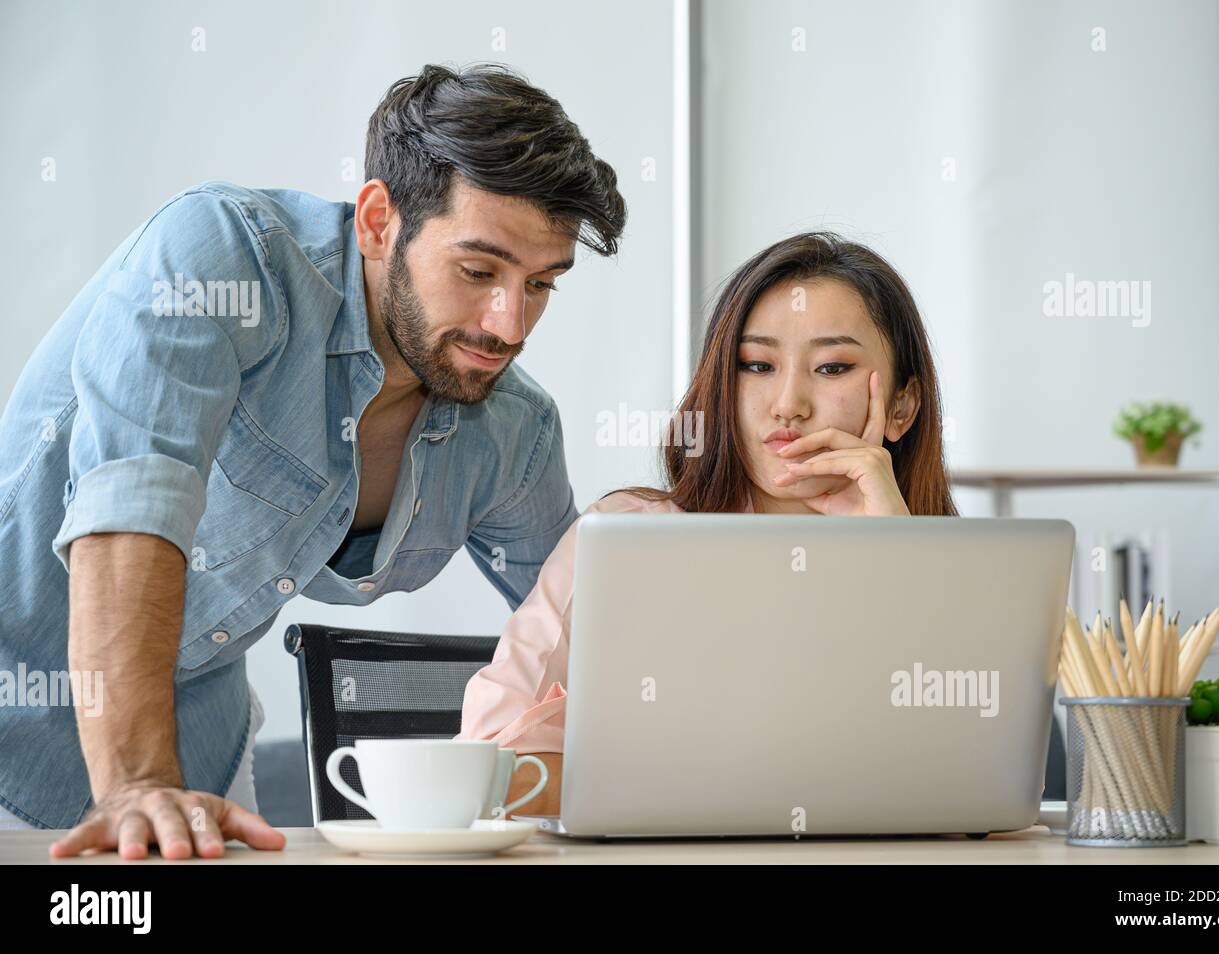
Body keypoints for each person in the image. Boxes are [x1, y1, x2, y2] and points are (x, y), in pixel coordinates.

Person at [0, 63, 625, 858]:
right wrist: (134, 785)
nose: (509, 324)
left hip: (191, 750)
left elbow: (602, 633)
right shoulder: (223, 259)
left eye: (541, 285)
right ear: (376, 220)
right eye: (478, 271)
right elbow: (134, 508)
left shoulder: (512, 431)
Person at [455, 231, 958, 816]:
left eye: (832, 366)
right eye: (757, 364)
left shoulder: (957, 577)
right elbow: (487, 769)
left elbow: (976, 790)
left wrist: (898, 568)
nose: (788, 403)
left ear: (901, 406)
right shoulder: (626, 540)